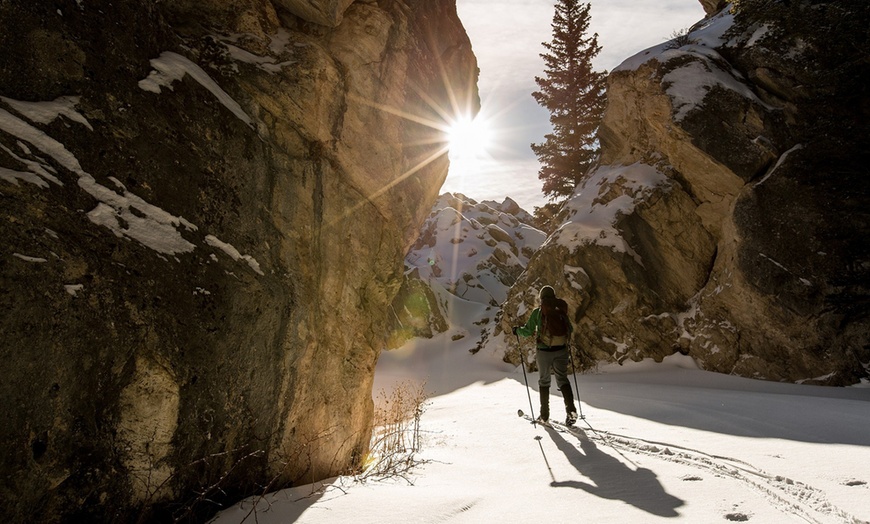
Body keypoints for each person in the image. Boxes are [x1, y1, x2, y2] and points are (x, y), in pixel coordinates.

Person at [513, 285, 578, 426]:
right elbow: (570, 329)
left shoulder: (538, 312)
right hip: (561, 349)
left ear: (541, 298)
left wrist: (517, 331)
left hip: (544, 352)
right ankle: (571, 410)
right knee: (562, 379)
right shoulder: (561, 310)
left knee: (544, 381)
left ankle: (544, 416)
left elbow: (528, 331)